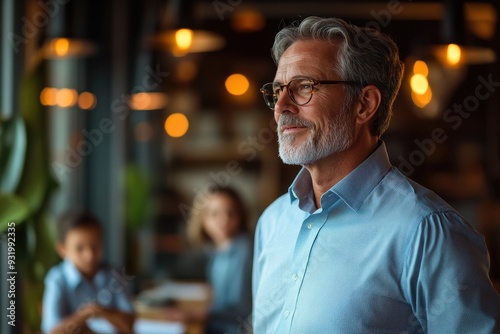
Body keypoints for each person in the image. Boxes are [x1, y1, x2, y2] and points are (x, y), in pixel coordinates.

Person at [253, 16, 500, 333]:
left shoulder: (428, 231)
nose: (281, 106)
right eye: (277, 90)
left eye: (303, 87)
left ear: (364, 105)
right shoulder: (272, 223)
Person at [41, 210, 135, 334]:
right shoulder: (56, 279)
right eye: (79, 248)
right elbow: (53, 331)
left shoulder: (114, 275)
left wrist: (100, 311)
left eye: (95, 246)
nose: (89, 255)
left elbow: (129, 325)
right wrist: (87, 312)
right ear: (62, 249)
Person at [177, 185, 253, 334]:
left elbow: (239, 307)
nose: (224, 219)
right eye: (214, 214)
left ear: (241, 216)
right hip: (217, 324)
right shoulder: (216, 250)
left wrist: (195, 314)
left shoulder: (244, 249)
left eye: (231, 213)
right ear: (202, 219)